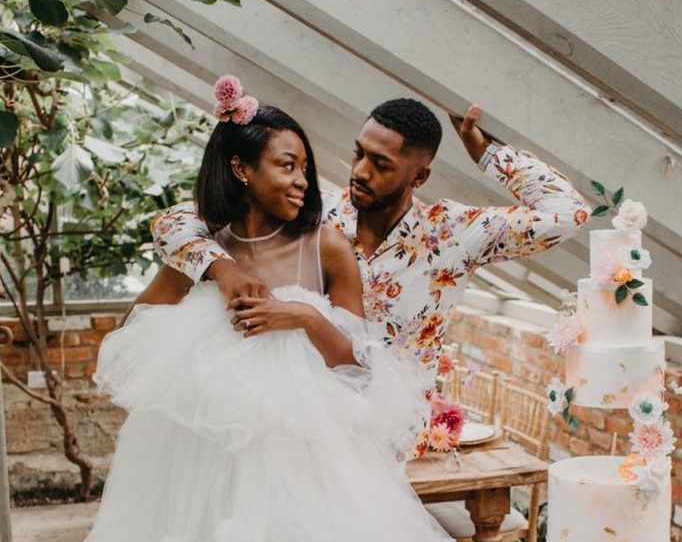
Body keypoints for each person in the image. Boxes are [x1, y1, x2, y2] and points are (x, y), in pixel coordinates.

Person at [34, 79, 475, 542]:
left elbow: (361, 368)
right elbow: (137, 325)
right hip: (198, 483)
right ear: (240, 169)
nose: (303, 180)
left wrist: (305, 316)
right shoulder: (202, 248)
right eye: (286, 165)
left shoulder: (328, 246)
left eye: (305, 166)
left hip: (303, 481)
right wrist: (212, 269)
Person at [151, 94, 591, 458]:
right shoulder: (314, 210)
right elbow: (173, 222)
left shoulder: (457, 233)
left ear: (419, 175)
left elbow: (568, 213)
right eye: (359, 153)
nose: (360, 170)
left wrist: (486, 152)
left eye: (381, 164)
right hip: (300, 418)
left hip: (389, 431)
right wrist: (221, 266)